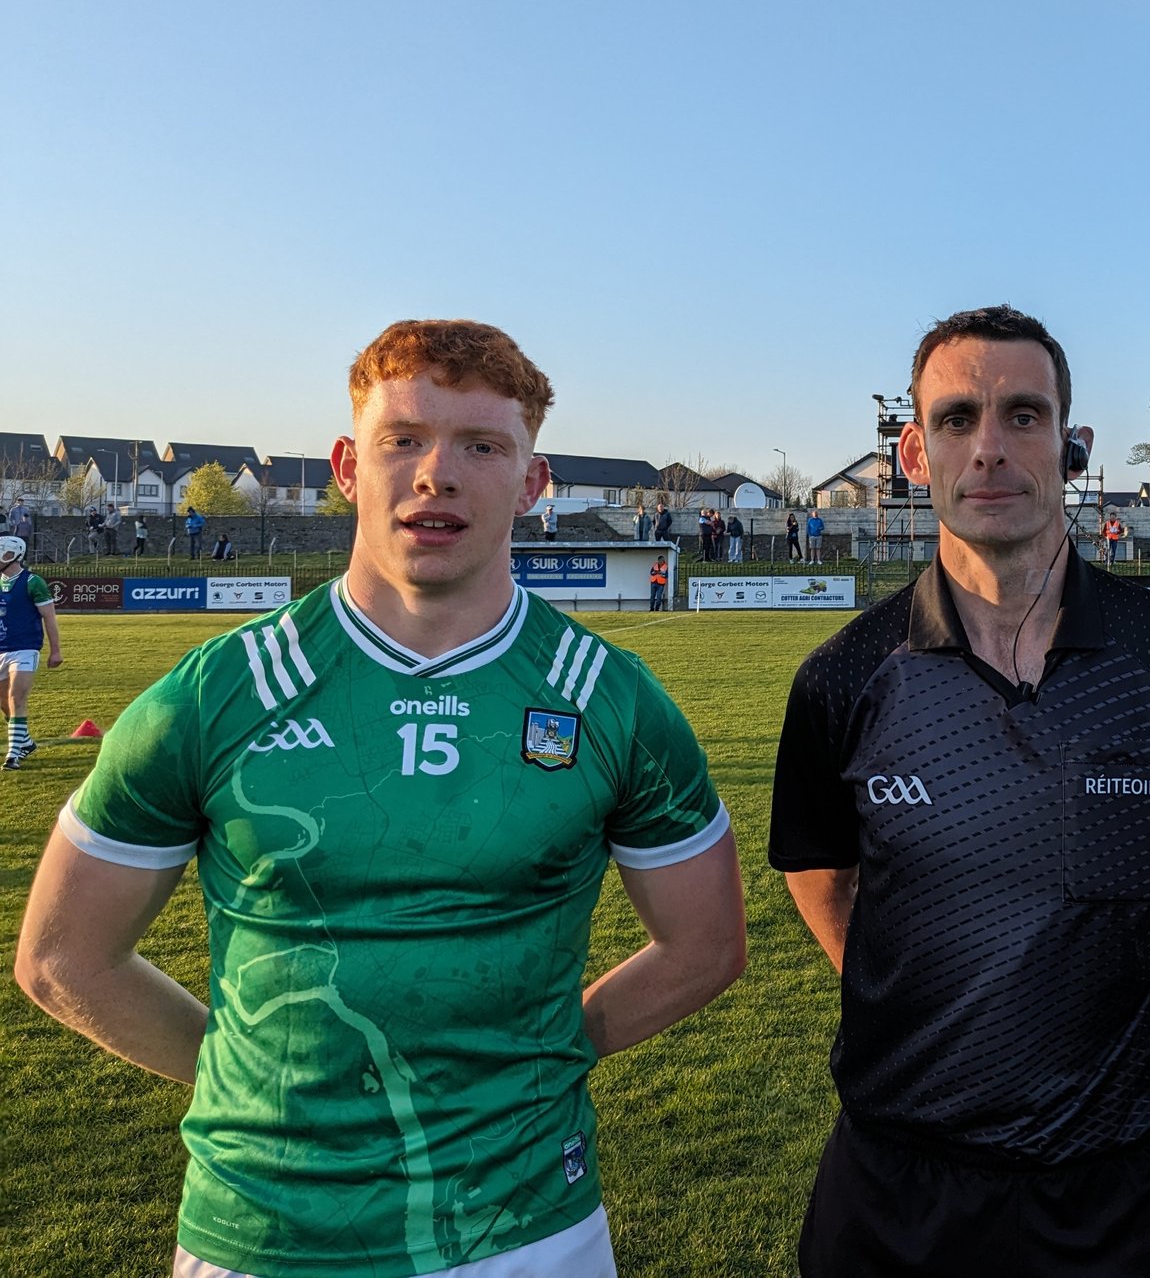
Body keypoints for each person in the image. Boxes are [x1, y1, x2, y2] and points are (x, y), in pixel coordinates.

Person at [15, 319, 746, 1278]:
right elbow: (62, 956)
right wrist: (247, 1079)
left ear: (532, 482)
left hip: (531, 1228)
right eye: (404, 439)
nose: (437, 474)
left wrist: (548, 1056)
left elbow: (707, 946)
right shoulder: (213, 695)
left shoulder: (610, 699)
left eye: (481, 446)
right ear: (350, 467)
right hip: (261, 1233)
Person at [770, 305, 1150, 1277]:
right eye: (957, 418)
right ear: (914, 453)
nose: (989, 448)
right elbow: (821, 878)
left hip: (1127, 1188)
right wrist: (927, 988)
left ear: (1069, 445)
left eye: (1023, 415)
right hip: (898, 1191)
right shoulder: (842, 676)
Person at [0, 534, 61, 770]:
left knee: (16, 697)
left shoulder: (33, 582)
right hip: (1, 649)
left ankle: (13, 755)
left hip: (25, 649)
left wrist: (55, 651)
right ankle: (25, 742)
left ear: (12, 554)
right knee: (5, 701)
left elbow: (49, 617)